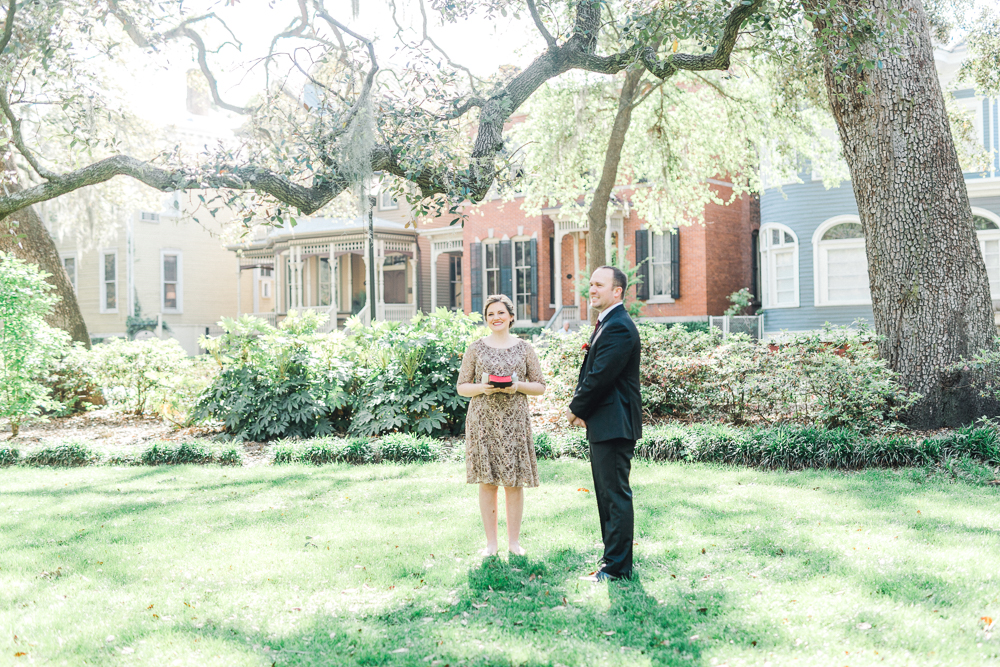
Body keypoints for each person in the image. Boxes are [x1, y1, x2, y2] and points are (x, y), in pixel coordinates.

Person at [565, 266, 642, 581]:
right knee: (607, 495)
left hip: (615, 423)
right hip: (606, 422)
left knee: (614, 496)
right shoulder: (608, 323)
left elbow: (600, 377)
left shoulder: (619, 327)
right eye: (591, 284)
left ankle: (617, 568)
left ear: (617, 291)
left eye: (599, 284)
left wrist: (575, 408)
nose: (591, 289)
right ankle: (612, 562)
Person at [457, 294, 546, 556]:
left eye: (500, 313)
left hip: (514, 421)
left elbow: (540, 385)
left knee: (514, 482)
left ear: (510, 316)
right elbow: (462, 387)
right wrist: (482, 389)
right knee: (487, 482)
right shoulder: (475, 348)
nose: (495, 318)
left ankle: (514, 543)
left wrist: (516, 386)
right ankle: (491, 544)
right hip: (483, 421)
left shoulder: (525, 348)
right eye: (490, 314)